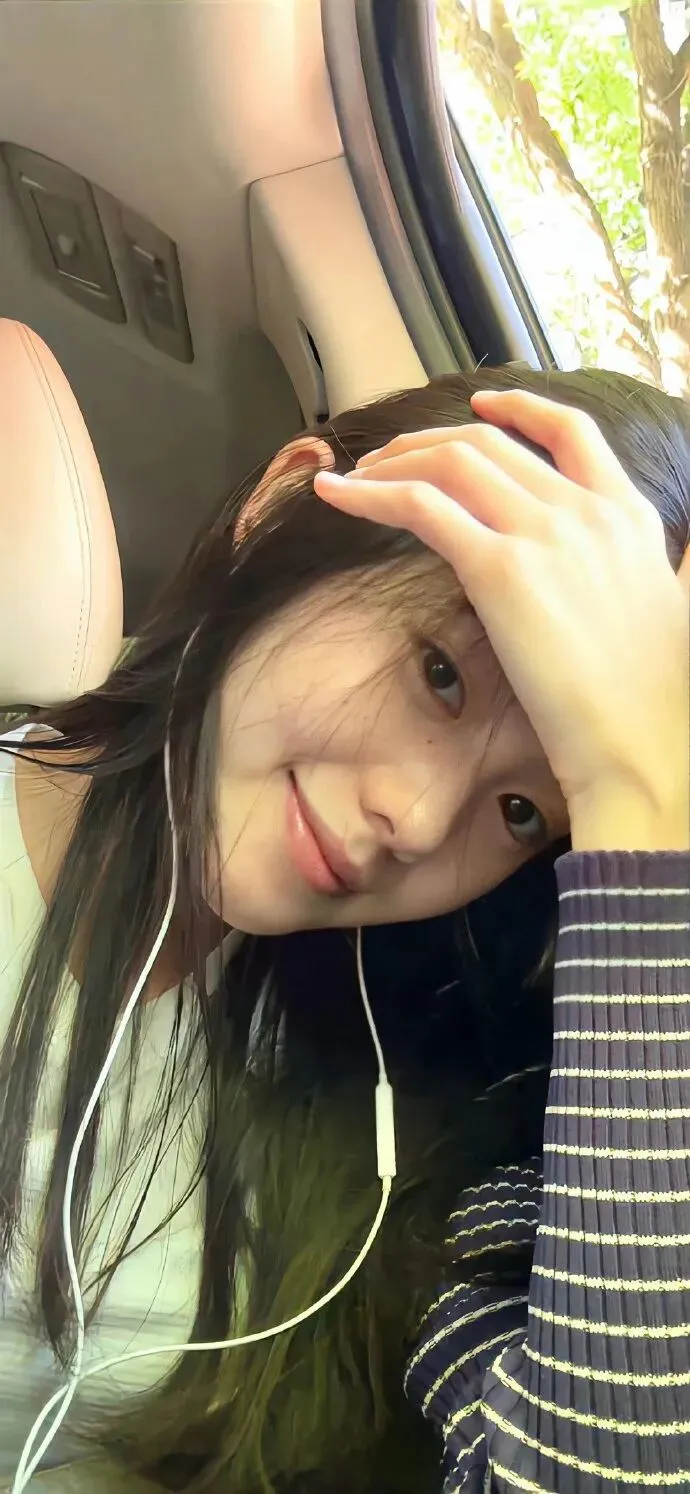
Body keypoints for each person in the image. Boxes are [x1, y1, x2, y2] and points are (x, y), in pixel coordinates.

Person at [0, 365, 687, 1494]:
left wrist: (644, 801)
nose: (417, 821)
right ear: (279, 510)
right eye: (438, 675)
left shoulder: (409, 1124)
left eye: (525, 811)